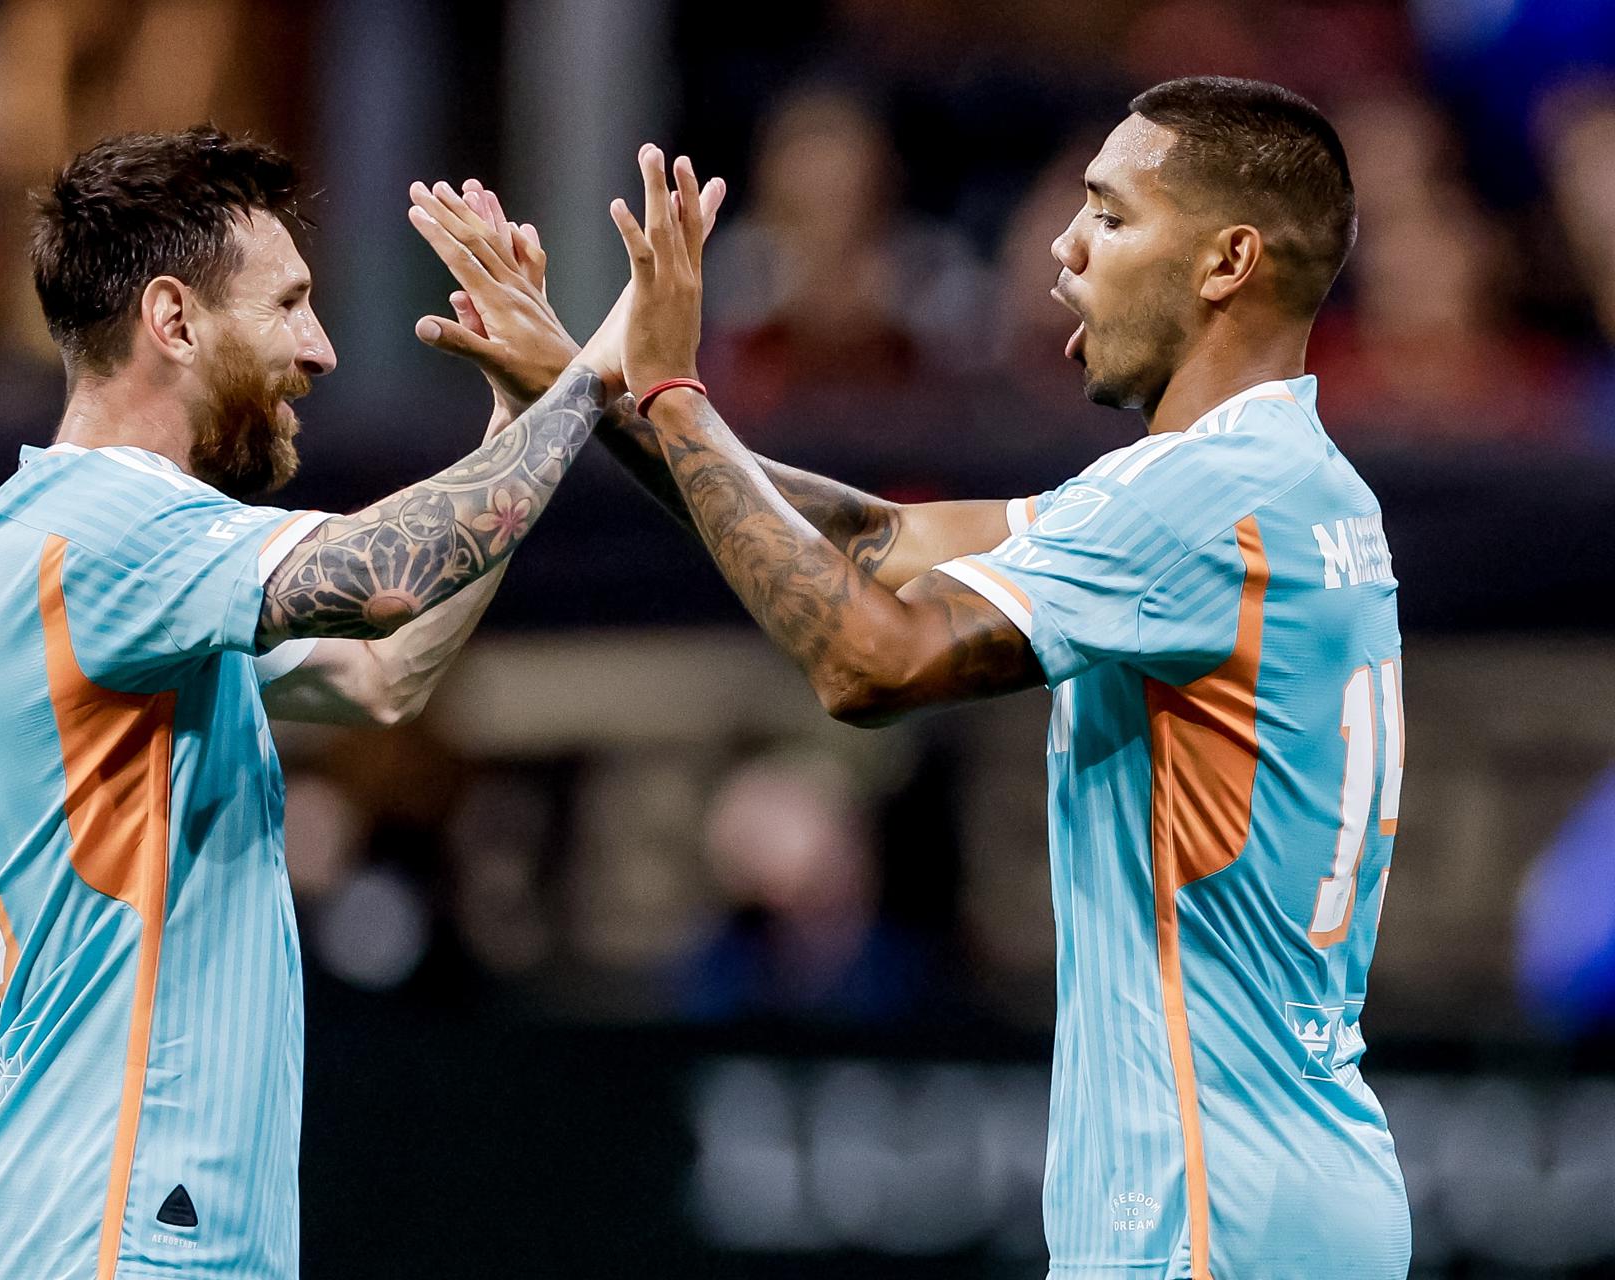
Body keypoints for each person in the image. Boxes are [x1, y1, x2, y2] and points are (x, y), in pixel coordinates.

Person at [422, 76, 1408, 1280]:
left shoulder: (1191, 502)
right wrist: (594, 392)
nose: (1063, 244)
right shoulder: (1293, 482)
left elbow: (866, 657)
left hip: (1210, 1219)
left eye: (1108, 213)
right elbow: (880, 539)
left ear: (1226, 261)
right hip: (1302, 1189)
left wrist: (676, 392)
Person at [0, 126, 633, 1280]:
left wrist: (519, 407)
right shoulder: (90, 529)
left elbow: (385, 670)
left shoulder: (140, 574)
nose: (321, 350)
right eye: (291, 303)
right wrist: (592, 373)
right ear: (174, 319)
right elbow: (388, 572)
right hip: (104, 1238)